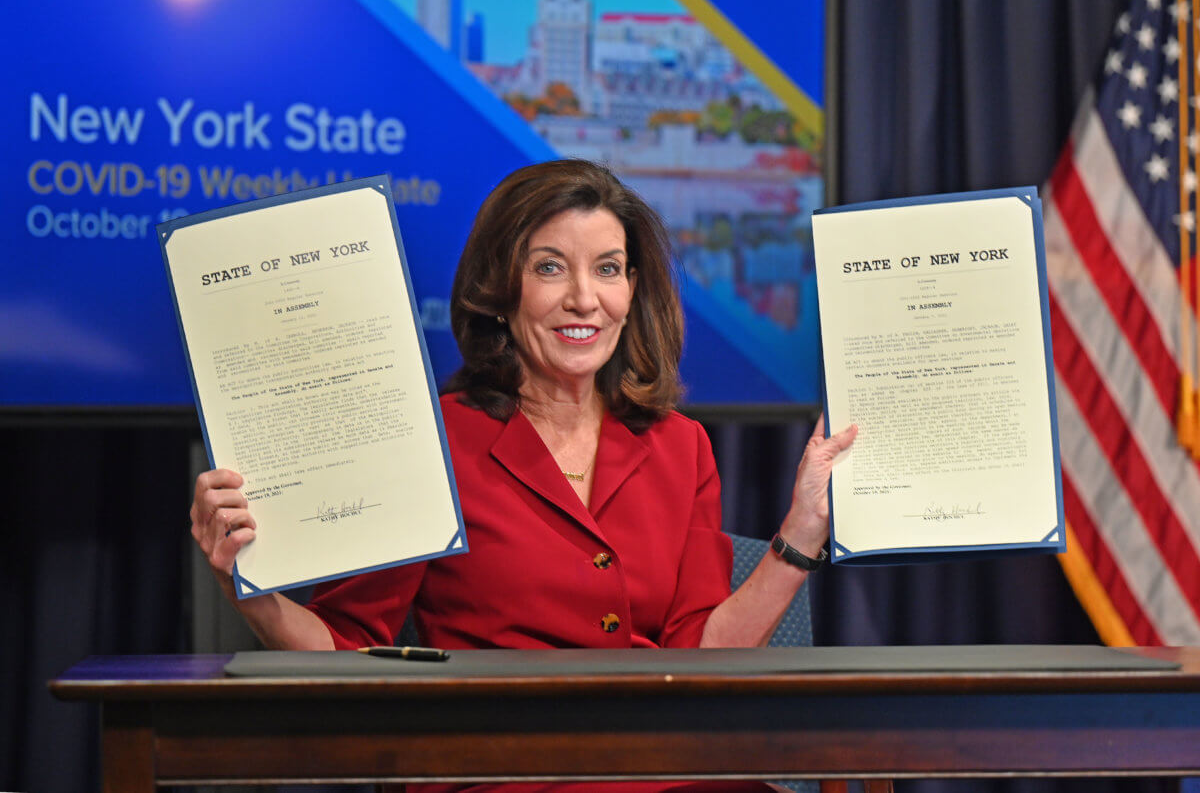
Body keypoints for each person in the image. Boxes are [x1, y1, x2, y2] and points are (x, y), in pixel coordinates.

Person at [190, 159, 857, 791]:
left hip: (661, 763)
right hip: (502, 766)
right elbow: (347, 650)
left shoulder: (681, 446)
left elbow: (703, 655)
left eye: (608, 269)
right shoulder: (433, 442)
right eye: (549, 268)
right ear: (500, 294)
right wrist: (246, 587)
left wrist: (802, 530)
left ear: (632, 291)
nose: (584, 299)